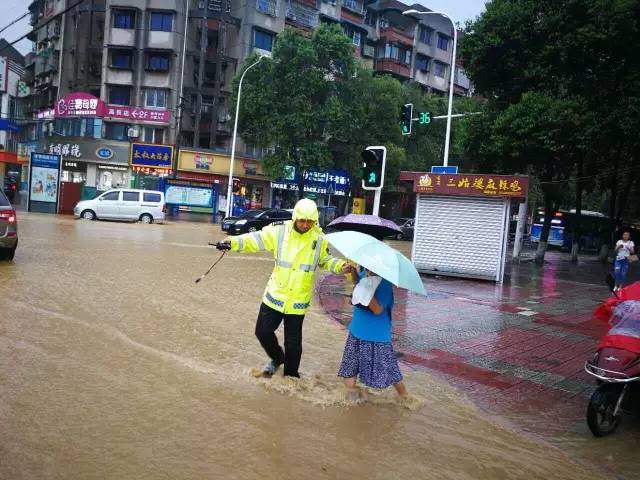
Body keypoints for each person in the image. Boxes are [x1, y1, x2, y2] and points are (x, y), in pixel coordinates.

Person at [217, 198, 353, 378]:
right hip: (275, 295)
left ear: (314, 221)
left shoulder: (319, 239)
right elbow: (255, 239)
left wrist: (340, 266)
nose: (305, 225)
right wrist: (232, 243)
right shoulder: (279, 232)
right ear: (295, 218)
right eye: (302, 220)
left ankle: (291, 378)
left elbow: (325, 260)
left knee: (294, 344)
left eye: (309, 221)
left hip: (298, 300)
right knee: (262, 332)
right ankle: (277, 357)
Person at [338, 266, 408, 401]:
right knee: (349, 368)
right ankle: (350, 403)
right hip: (356, 331)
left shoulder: (385, 283)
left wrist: (366, 292)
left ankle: (405, 398)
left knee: (390, 371)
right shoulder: (365, 273)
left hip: (376, 338)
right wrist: (354, 273)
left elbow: (377, 310)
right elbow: (359, 285)